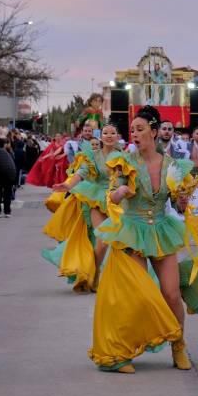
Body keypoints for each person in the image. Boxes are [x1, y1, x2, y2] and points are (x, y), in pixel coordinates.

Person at [89, 107, 197, 373]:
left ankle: (179, 346)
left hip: (161, 230)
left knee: (171, 294)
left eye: (140, 129)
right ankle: (124, 351)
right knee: (136, 295)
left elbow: (179, 204)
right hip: (133, 231)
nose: (135, 134)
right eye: (132, 130)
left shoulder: (173, 165)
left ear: (154, 130)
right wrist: (120, 193)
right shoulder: (125, 161)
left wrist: (183, 200)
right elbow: (110, 197)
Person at [46, 123, 123, 289]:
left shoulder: (125, 157)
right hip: (97, 200)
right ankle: (94, 275)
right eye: (106, 133)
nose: (109, 135)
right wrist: (68, 185)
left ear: (118, 136)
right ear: (101, 136)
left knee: (122, 244)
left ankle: (120, 280)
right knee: (102, 241)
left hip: (119, 201)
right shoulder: (93, 156)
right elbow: (81, 173)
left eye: (112, 133)